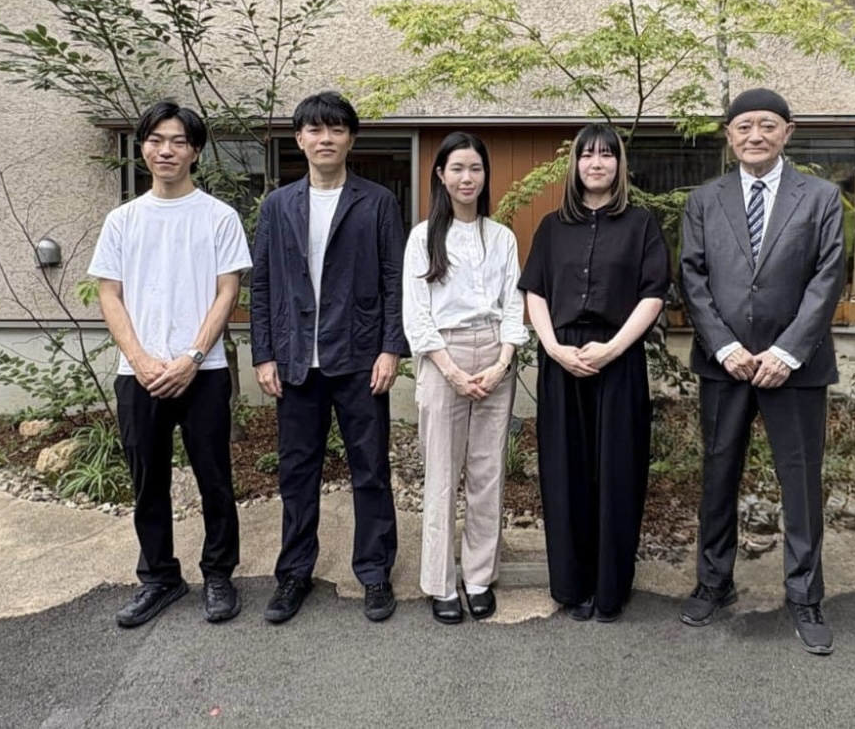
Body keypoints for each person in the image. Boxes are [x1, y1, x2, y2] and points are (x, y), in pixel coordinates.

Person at [678, 88, 845, 655]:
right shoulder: (705, 200)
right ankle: (713, 581)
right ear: (729, 135)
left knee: (800, 481)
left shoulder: (820, 197)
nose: (756, 135)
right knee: (718, 474)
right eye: (744, 125)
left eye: (767, 125)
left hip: (795, 369)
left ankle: (804, 595)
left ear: (787, 132)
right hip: (724, 366)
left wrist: (786, 352)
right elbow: (692, 277)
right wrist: (724, 346)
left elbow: (828, 278)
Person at [88, 101, 252, 628]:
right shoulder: (122, 220)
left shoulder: (219, 217)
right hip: (138, 374)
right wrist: (139, 359)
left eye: (178, 141)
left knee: (215, 478)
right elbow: (109, 294)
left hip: (203, 372)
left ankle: (219, 573)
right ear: (142, 148)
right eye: (156, 140)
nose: (166, 150)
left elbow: (228, 292)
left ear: (195, 151)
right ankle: (159, 577)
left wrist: (193, 356)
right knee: (147, 480)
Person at [250, 91, 406, 624]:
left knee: (371, 469)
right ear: (299, 139)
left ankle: (375, 571)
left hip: (360, 358)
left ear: (350, 140)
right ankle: (294, 572)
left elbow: (394, 280)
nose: (325, 139)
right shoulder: (277, 206)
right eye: (315, 130)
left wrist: (391, 347)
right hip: (295, 360)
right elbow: (263, 284)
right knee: (297, 472)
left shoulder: (377, 202)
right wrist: (264, 354)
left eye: (336, 129)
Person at [518, 124, 669, 623]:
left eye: (606, 155)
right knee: (565, 473)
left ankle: (610, 589)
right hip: (561, 358)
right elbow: (535, 292)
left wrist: (613, 349)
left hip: (618, 360)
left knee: (617, 473)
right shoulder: (551, 227)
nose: (596, 163)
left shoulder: (641, 224)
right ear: (576, 165)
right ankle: (572, 586)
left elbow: (653, 294)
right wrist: (553, 347)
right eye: (587, 155)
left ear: (619, 164)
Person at [402, 132, 528, 624]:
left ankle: (478, 576)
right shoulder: (422, 238)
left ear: (485, 175)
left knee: (487, 472)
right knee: (441, 473)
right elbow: (417, 315)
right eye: (457, 168)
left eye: (475, 168)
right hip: (443, 356)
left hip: (495, 352)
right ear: (440, 175)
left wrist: (502, 362)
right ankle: (440, 581)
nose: (467, 177)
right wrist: (452, 371)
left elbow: (514, 303)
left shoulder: (501, 237)